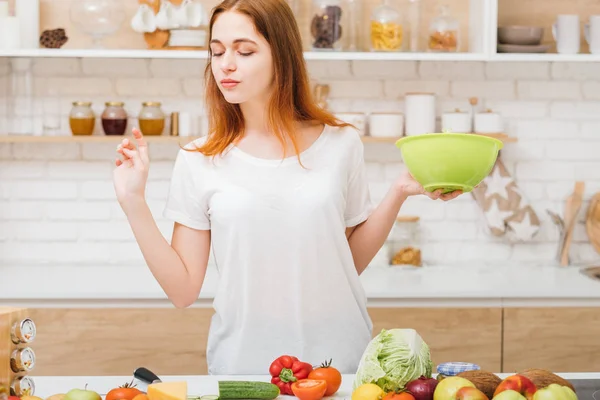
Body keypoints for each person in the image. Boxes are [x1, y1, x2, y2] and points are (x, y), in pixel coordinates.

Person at [113, 0, 463, 376]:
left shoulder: (341, 143)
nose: (226, 64)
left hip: (338, 363)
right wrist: (133, 201)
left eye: (244, 51)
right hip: (245, 367)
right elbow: (182, 291)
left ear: (281, 55)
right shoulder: (199, 158)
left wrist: (397, 192)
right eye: (216, 52)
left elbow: (345, 263)